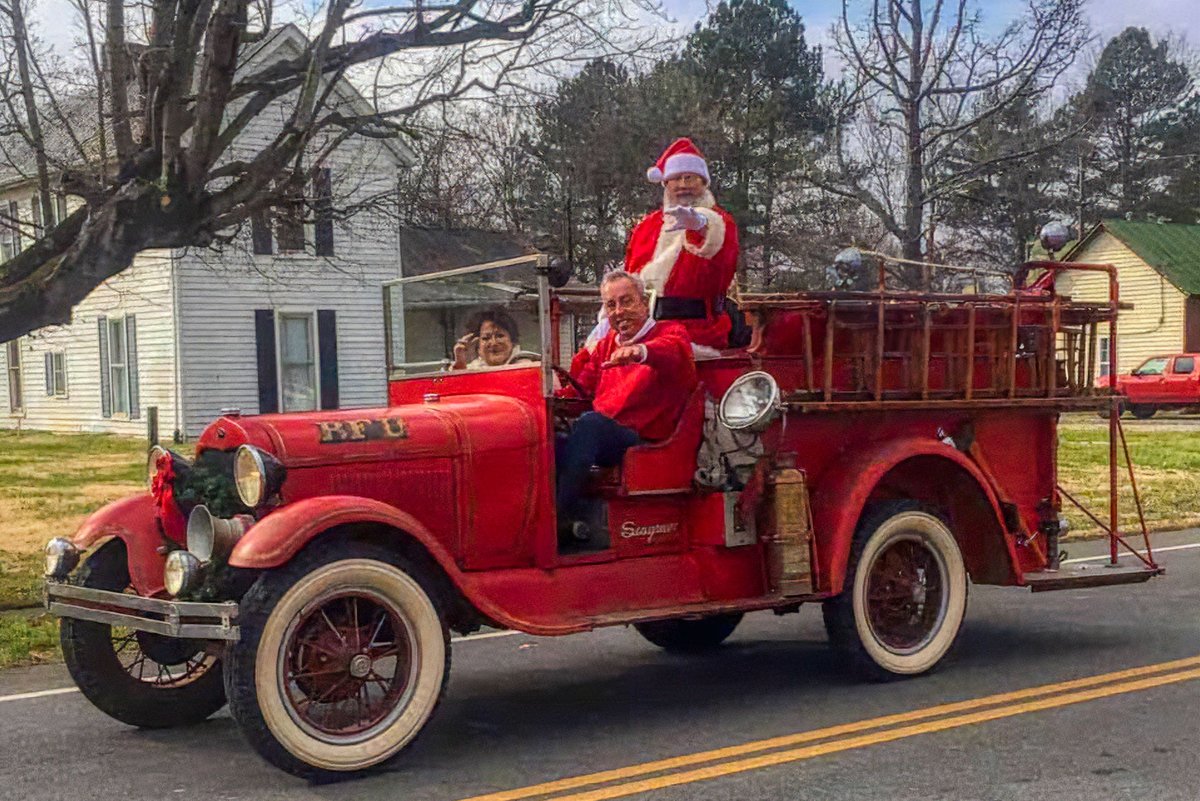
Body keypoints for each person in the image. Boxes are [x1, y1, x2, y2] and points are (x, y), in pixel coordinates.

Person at [556, 270, 697, 541]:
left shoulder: (669, 333)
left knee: (590, 425)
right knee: (548, 441)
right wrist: (546, 403)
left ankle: (557, 518)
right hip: (603, 437)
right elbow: (580, 390)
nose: (619, 311)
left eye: (627, 301)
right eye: (611, 305)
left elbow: (673, 352)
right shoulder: (606, 345)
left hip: (641, 439)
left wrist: (641, 352)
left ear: (644, 303)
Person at [625, 137, 740, 351]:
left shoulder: (721, 223)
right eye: (676, 178)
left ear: (703, 183)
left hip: (697, 334)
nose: (683, 185)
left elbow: (719, 267)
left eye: (690, 178)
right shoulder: (646, 227)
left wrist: (700, 226)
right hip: (644, 332)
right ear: (665, 183)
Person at [450, 308, 535, 370]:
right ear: (477, 346)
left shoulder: (527, 367)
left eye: (500, 336)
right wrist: (459, 365)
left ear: (512, 341)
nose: (493, 343)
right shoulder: (472, 369)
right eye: (486, 338)